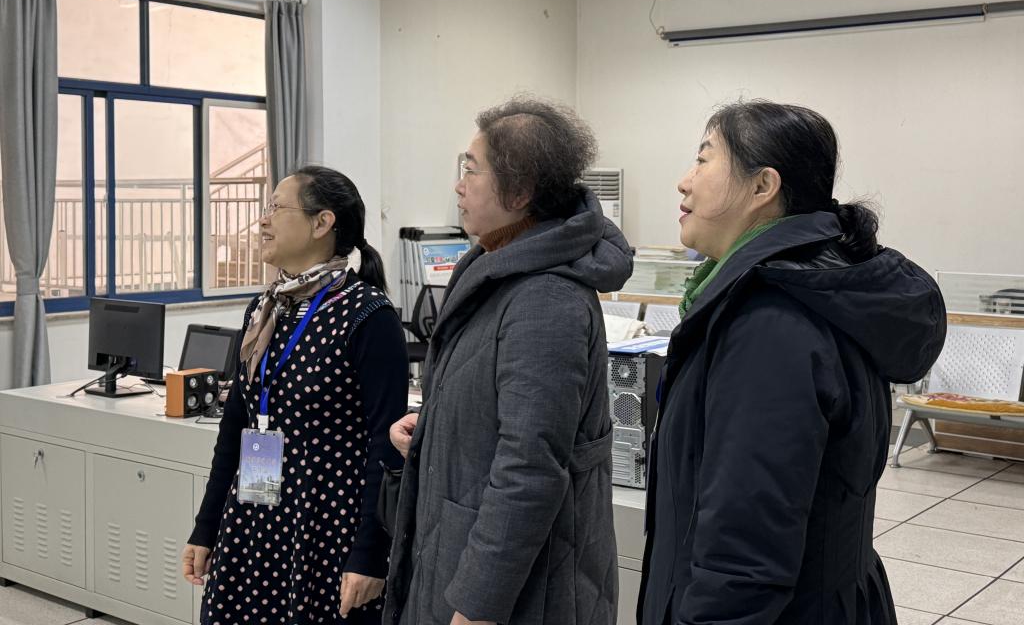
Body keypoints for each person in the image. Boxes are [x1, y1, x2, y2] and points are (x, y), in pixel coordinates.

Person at [638, 100, 947, 625]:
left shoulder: (769, 324)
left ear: (763, 186)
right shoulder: (801, 291)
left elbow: (744, 551)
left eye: (704, 159)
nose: (683, 181)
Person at [383, 97, 633, 625]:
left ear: (519, 193)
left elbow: (530, 465)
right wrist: (435, 426)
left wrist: (479, 604)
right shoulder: (495, 266)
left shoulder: (545, 298)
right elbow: (498, 407)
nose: (459, 186)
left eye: (471, 170)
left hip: (518, 593)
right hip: (457, 550)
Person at [182, 166, 409, 625]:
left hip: (329, 527)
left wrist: (371, 554)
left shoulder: (367, 315)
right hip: (255, 516)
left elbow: (386, 449)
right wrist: (206, 526)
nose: (263, 219)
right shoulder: (265, 309)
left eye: (276, 207)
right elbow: (235, 427)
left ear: (322, 223)